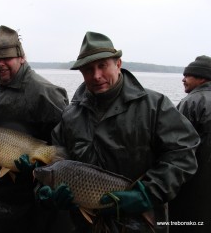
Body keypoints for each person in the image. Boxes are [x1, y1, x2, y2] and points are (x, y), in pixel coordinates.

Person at [47, 31, 200, 232]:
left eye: (102, 66)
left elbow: (183, 153)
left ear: (118, 64)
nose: (96, 75)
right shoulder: (70, 116)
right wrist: (48, 190)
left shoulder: (155, 106)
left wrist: (148, 193)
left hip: (142, 224)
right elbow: (56, 159)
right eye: (88, 69)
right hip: (85, 224)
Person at [0, 25, 69, 233]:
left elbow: (66, 145)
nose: (0, 64)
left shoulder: (45, 93)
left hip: (26, 200)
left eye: (6, 58)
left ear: (21, 57)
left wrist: (38, 169)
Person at [168, 55, 211, 233]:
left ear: (202, 78)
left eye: (189, 75)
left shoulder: (192, 102)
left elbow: (174, 146)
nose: (183, 79)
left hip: (193, 187)